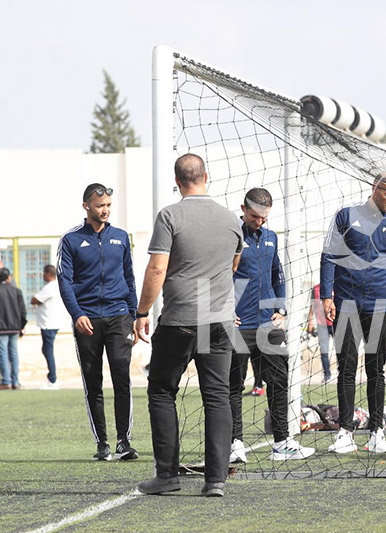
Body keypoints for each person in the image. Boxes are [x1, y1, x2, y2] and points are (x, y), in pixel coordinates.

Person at [135, 154, 243, 497]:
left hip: (181, 319)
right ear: (206, 177)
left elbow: (156, 270)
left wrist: (142, 312)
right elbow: (233, 265)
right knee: (217, 397)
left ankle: (167, 476)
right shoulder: (231, 220)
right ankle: (216, 481)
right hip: (220, 321)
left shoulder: (170, 215)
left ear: (177, 181)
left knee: (162, 392)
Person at [322, 171, 386, 454]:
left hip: (381, 308)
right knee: (346, 370)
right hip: (346, 305)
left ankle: (376, 432)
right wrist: (327, 295)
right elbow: (329, 257)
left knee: (376, 371)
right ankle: (345, 433)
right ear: (375, 188)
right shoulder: (345, 216)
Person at [229, 187, 314, 464]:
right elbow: (218, 276)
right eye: (255, 216)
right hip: (238, 326)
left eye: (264, 217)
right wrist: (225, 310)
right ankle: (234, 443)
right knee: (233, 385)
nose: (260, 222)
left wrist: (280, 308)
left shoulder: (271, 238)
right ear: (243, 209)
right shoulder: (230, 237)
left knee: (279, 382)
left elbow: (278, 274)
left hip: (268, 324)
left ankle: (281, 443)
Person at [58, 183, 139, 461]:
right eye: (99, 206)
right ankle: (102, 442)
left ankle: (123, 441)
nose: (104, 211)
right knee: (93, 382)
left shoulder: (120, 237)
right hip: (87, 320)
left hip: (119, 317)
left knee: (122, 377)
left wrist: (134, 315)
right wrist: (77, 314)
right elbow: (65, 282)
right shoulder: (70, 240)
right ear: (86, 206)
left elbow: (130, 278)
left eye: (108, 206)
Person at [31, 265, 69, 390]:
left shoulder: (49, 287)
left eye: (43, 273)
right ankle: (52, 378)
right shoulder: (58, 286)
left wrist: (36, 300)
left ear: (48, 274)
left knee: (48, 350)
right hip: (53, 322)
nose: (42, 276)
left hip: (48, 324)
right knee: (46, 350)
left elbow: (34, 300)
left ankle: (53, 380)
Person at [0, 268, 26, 390]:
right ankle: (15, 381)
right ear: (8, 277)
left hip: (1, 329)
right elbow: (23, 311)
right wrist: (22, 326)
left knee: (3, 354)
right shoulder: (17, 291)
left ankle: (6, 381)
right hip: (15, 328)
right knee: (14, 354)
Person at [307, 284, 334, 383]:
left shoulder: (338, 285)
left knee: (341, 349)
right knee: (324, 350)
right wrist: (310, 321)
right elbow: (312, 305)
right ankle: (327, 375)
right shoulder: (316, 288)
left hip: (336, 322)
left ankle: (342, 372)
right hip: (321, 323)